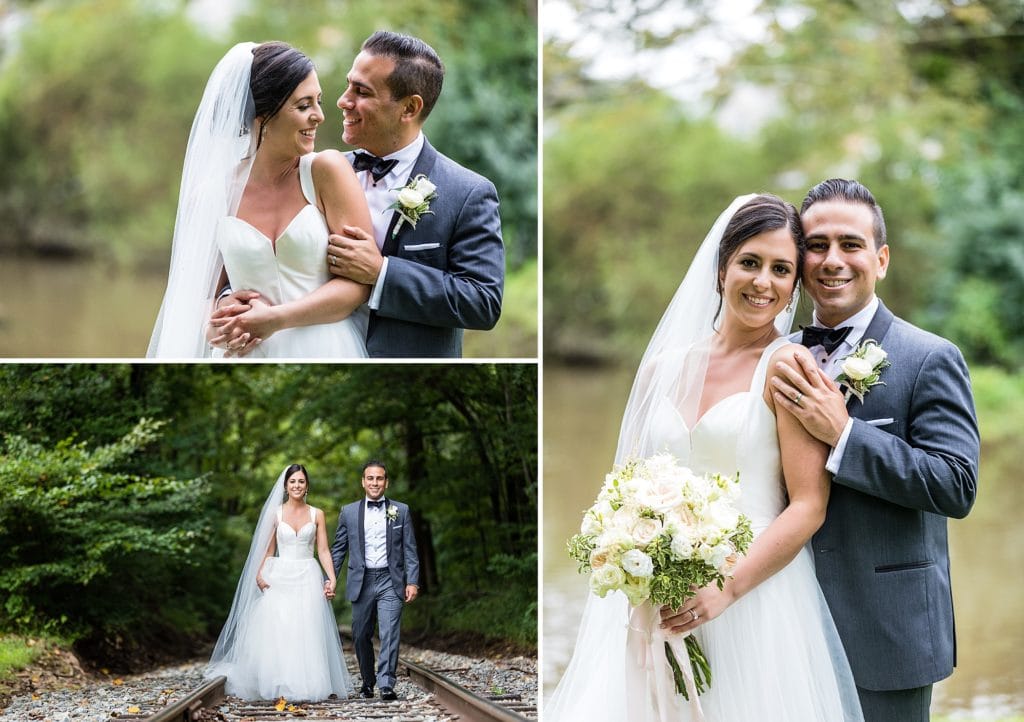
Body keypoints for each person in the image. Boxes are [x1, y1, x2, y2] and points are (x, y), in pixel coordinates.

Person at [545, 194, 863, 721]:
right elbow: (621, 486)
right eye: (749, 262)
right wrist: (630, 558)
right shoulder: (663, 368)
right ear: (721, 269)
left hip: (754, 596)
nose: (763, 282)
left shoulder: (788, 366)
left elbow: (809, 505)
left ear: (793, 288)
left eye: (781, 270)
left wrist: (725, 588)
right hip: (657, 595)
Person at [769, 178, 980, 722]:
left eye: (851, 244)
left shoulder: (930, 357)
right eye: (816, 245)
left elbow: (956, 485)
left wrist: (845, 435)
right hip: (780, 627)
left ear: (880, 259)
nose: (832, 260)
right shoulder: (774, 357)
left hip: (889, 632)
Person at [147, 41, 372, 358]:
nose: (319, 116)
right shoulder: (212, 195)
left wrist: (277, 319)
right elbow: (203, 297)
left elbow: (358, 285)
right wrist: (215, 327)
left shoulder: (326, 171)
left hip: (325, 347)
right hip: (246, 353)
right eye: (303, 105)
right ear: (261, 115)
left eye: (317, 102)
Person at [326, 31, 505, 358]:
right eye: (349, 84)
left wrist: (382, 273)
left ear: (409, 108)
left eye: (361, 91)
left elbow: (483, 302)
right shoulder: (320, 173)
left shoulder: (468, 193)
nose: (343, 100)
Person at [205, 464, 352, 701]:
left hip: (308, 575)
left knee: (307, 630)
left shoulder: (318, 514)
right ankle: (280, 683)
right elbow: (268, 550)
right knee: (282, 629)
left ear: (307, 486)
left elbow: (323, 550)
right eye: (292, 481)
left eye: (301, 482)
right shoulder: (276, 514)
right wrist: (259, 574)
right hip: (280, 576)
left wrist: (332, 578)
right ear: (285, 486)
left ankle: (307, 684)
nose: (297, 486)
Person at [329, 461, 420, 700]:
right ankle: (367, 681)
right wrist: (330, 579)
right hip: (362, 580)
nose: (375, 483)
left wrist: (413, 581)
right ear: (363, 481)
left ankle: (386, 683)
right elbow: (338, 549)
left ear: (386, 482)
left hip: (391, 580)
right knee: (360, 634)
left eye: (379, 479)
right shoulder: (348, 512)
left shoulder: (401, 510)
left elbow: (410, 549)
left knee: (390, 631)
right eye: (370, 478)